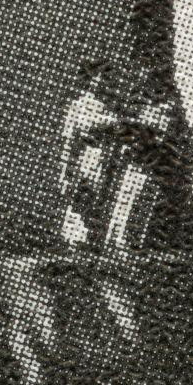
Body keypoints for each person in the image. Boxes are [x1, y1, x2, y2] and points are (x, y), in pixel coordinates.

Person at [106, 66, 193, 256]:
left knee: (141, 213)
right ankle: (118, 249)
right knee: (123, 215)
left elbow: (160, 137)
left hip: (157, 175)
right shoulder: (140, 109)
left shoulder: (168, 110)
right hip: (139, 171)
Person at [59, 59, 135, 252]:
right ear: (91, 79)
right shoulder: (80, 106)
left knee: (101, 205)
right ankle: (75, 242)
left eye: (108, 78)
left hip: (105, 162)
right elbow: (73, 138)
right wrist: (66, 170)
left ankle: (97, 245)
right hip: (84, 160)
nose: (104, 82)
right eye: (100, 77)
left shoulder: (112, 105)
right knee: (81, 202)